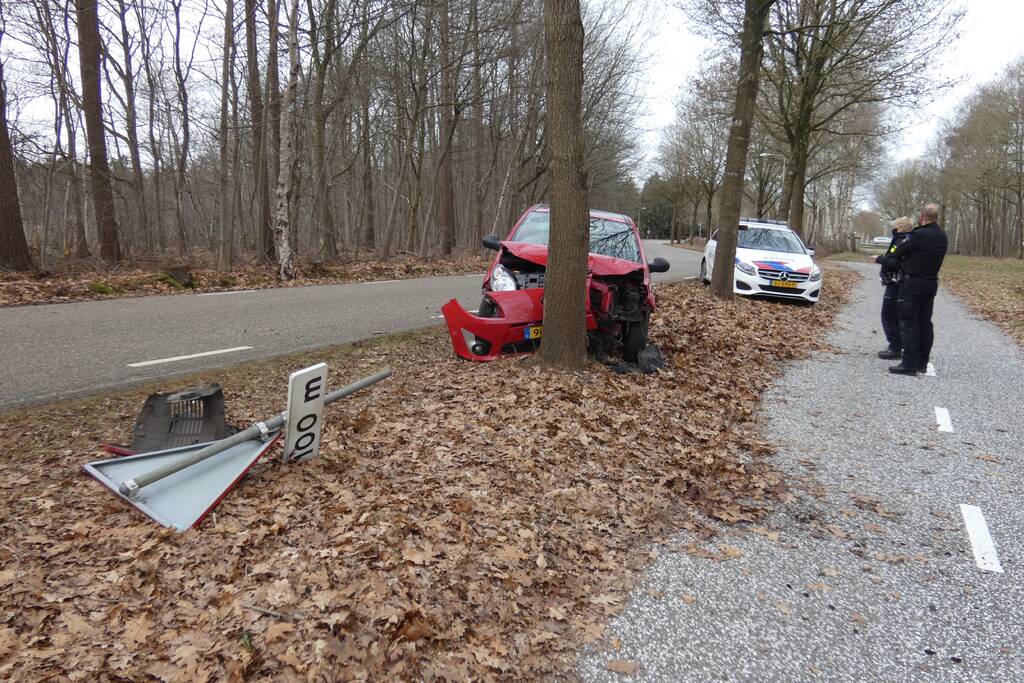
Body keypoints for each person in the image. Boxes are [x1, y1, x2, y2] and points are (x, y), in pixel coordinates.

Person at [878, 203, 948, 376]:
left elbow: (897, 252)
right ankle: (921, 363)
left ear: (922, 217)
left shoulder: (919, 234)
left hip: (912, 283)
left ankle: (908, 363)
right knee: (925, 323)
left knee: (908, 322)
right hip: (931, 282)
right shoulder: (942, 236)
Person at [874, 217, 914, 359]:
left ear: (902, 227)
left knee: (889, 314)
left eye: (896, 227)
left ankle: (895, 347)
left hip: (896, 281)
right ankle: (897, 345)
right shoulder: (903, 240)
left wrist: (879, 259)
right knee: (895, 314)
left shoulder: (902, 241)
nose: (894, 229)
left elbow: (896, 262)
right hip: (895, 281)